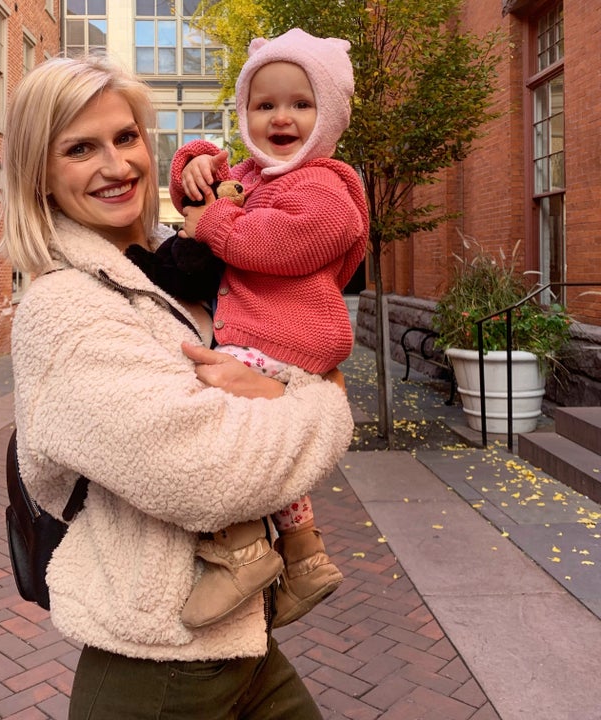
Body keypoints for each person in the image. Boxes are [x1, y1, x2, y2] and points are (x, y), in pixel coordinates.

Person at [0, 54, 354, 719]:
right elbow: (209, 471)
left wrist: (271, 393)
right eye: (80, 148)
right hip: (156, 669)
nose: (117, 165)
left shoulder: (159, 270)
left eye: (126, 137)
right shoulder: (66, 309)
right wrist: (323, 403)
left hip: (237, 638)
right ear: (40, 176)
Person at [159, 29, 369, 630]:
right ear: (246, 113)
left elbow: (285, 240)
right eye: (265, 104)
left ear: (328, 117)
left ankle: (241, 550)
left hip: (284, 337)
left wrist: (217, 221)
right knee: (255, 438)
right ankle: (304, 553)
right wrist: (195, 163)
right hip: (266, 336)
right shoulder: (257, 174)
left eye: (301, 105)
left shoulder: (322, 184)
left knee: (213, 426)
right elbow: (199, 198)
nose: (282, 118)